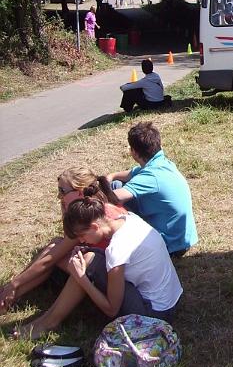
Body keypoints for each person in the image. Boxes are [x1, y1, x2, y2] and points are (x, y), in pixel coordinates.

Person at [14, 196, 182, 339]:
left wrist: (81, 278)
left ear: (95, 226)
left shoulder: (117, 249)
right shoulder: (128, 219)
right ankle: (46, 320)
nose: (81, 240)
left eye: (82, 235)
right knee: (89, 258)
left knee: (86, 263)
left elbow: (111, 309)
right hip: (171, 301)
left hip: (155, 316)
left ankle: (48, 322)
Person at [0, 167, 125, 315]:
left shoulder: (87, 217)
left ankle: (9, 297)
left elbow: (51, 258)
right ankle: (8, 296)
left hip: (111, 275)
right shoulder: (93, 205)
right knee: (56, 244)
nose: (59, 197)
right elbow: (67, 236)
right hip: (105, 265)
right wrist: (65, 208)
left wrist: (14, 283)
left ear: (80, 192)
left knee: (54, 254)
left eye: (63, 192)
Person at [107, 121, 198, 257]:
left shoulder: (151, 176)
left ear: (134, 153)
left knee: (109, 202)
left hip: (169, 245)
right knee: (117, 184)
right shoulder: (162, 163)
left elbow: (114, 197)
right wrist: (111, 176)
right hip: (182, 239)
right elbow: (131, 173)